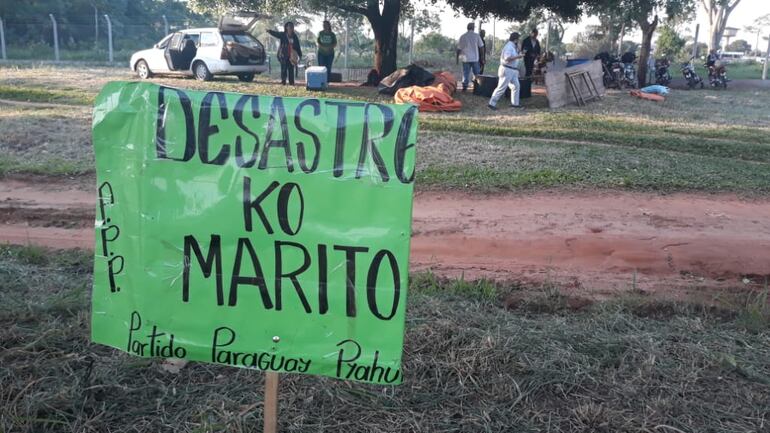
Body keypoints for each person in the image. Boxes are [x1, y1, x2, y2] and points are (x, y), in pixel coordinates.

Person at [488, 32, 524, 110]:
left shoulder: (513, 47)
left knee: (516, 86)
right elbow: (507, 58)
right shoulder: (509, 47)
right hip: (507, 69)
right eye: (518, 39)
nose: (519, 41)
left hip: (512, 70)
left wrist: (519, 50)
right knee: (501, 88)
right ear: (515, 40)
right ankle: (491, 103)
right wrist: (518, 56)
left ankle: (515, 104)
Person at [456, 22, 484, 91]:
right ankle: (477, 87)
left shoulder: (463, 36)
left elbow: (459, 49)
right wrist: (482, 57)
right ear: (473, 28)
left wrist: (457, 58)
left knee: (466, 73)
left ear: (467, 28)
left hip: (465, 58)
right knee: (477, 74)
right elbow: (481, 47)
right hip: (475, 58)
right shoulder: (476, 36)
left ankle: (465, 87)